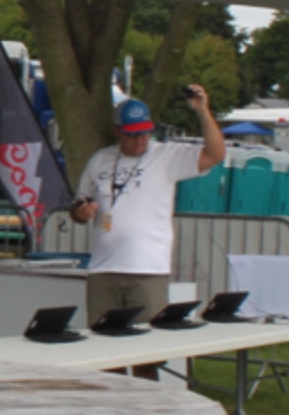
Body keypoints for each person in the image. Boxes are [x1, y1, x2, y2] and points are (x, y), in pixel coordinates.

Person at [69, 84, 226, 319]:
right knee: (102, 342)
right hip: (103, 269)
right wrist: (80, 213)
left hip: (147, 269)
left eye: (144, 132)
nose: (140, 140)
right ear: (118, 131)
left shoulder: (166, 155)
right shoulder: (100, 159)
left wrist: (203, 112)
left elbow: (215, 155)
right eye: (132, 134)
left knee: (148, 340)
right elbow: (79, 203)